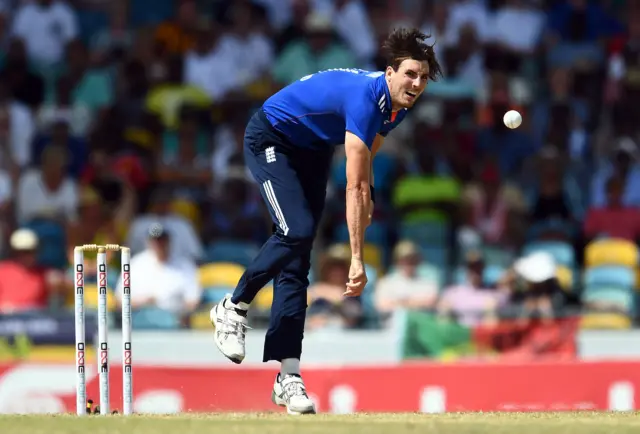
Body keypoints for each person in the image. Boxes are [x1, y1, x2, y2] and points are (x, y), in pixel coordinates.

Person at [210, 27, 442, 414]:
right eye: (410, 75)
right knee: (295, 231)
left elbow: (364, 178)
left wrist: (366, 211)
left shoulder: (397, 109)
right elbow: (352, 186)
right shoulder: (368, 101)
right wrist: (356, 258)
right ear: (389, 72)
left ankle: (289, 376)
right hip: (273, 138)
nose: (416, 84)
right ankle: (232, 307)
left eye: (422, 78)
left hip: (314, 149)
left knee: (298, 257)